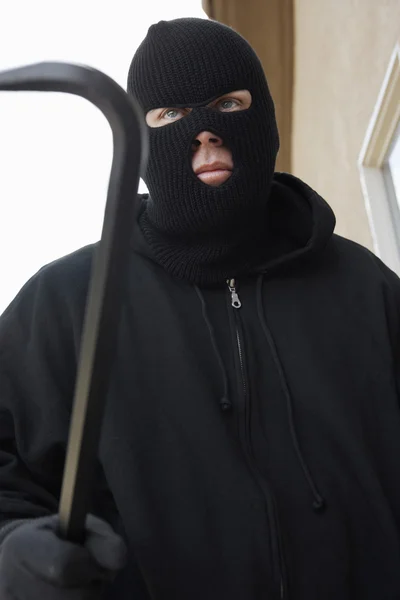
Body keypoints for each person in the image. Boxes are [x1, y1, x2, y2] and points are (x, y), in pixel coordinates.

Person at [1, 16, 400, 600]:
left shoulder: (362, 286)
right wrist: (11, 548)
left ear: (264, 118)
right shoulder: (68, 303)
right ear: (139, 140)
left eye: (227, 104)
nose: (204, 134)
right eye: (172, 116)